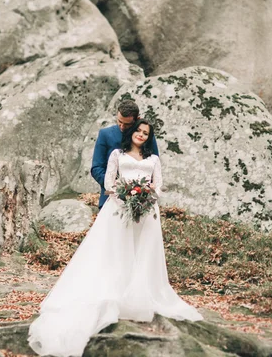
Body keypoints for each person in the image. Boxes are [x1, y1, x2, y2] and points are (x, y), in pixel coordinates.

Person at [28, 119, 202, 357]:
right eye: (138, 131)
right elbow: (109, 182)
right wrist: (126, 198)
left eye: (145, 133)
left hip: (147, 211)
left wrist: (146, 197)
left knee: (141, 251)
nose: (141, 135)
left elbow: (158, 185)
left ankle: (138, 293)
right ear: (131, 132)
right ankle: (116, 291)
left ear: (149, 137)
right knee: (116, 250)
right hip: (119, 209)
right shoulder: (117, 155)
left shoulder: (153, 159)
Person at [91, 100, 159, 209]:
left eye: (127, 124)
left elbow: (153, 165)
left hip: (141, 201)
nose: (122, 126)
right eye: (119, 121)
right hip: (110, 199)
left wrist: (142, 192)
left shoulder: (146, 137)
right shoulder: (105, 134)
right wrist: (116, 187)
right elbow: (96, 168)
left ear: (137, 119)